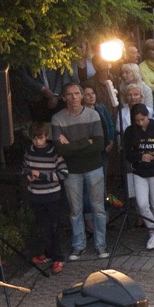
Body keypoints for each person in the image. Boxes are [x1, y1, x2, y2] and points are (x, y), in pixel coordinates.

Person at [50, 83, 110, 262]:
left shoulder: (93, 115)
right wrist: (86, 142)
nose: (74, 97)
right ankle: (79, 245)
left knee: (98, 208)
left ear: (82, 95)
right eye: (69, 94)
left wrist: (71, 145)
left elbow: (99, 145)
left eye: (77, 93)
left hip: (94, 167)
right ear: (63, 97)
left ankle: (101, 245)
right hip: (71, 170)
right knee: (75, 210)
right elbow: (60, 149)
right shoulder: (57, 119)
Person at [120, 102, 154, 250]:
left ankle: (153, 233)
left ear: (147, 116)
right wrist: (140, 157)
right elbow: (127, 153)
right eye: (137, 121)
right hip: (139, 172)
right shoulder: (130, 131)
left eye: (142, 119)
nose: (140, 123)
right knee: (142, 204)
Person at [22, 121, 68, 274]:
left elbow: (62, 174)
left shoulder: (54, 152)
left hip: (52, 195)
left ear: (46, 137)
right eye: (34, 139)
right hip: (36, 195)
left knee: (54, 227)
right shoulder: (29, 151)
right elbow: (25, 167)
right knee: (43, 227)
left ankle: (59, 257)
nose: (37, 142)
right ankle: (48, 254)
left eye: (40, 138)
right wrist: (29, 175)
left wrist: (41, 175)